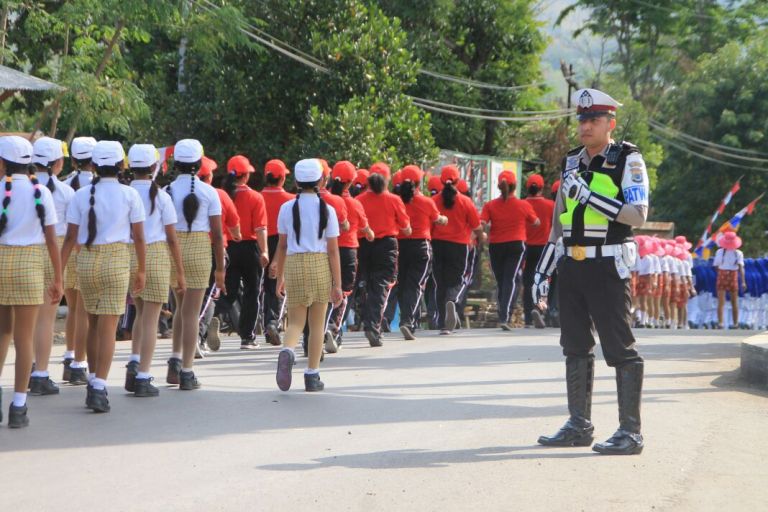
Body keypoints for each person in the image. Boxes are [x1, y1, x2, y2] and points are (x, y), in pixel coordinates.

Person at [534, 88, 649, 455]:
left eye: (593, 120)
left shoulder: (627, 160)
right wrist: (544, 269)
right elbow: (558, 224)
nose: (585, 126)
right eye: (582, 119)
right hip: (572, 265)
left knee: (620, 348)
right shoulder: (571, 162)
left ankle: (630, 432)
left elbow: (638, 214)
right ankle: (578, 425)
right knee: (574, 346)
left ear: (609, 123)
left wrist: (589, 197)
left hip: (607, 264)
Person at [61, 140, 146, 413]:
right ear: (122, 165)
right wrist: (141, 269)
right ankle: (98, 385)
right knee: (108, 327)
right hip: (116, 262)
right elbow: (139, 237)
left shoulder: (80, 194)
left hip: (85, 260)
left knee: (93, 323)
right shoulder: (130, 195)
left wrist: (57, 272)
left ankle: (93, 379)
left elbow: (71, 237)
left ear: (94, 166)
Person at [0, 135, 62, 427]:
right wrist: (58, 278)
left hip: (1, 263)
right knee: (24, 339)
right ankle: (18, 406)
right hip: (30, 266)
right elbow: (52, 240)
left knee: (2, 334)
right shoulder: (42, 192)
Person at [273, 158, 343, 392]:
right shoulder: (328, 210)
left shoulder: (286, 208)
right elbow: (333, 250)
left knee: (295, 322)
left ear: (295, 181)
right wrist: (338, 285)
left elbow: (282, 246)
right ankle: (312, 376)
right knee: (316, 325)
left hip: (294, 263)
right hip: (320, 264)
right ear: (322, 181)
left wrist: (280, 274)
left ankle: (287, 350)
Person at [124, 144, 185, 397]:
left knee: (140, 314)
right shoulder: (161, 196)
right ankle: (143, 376)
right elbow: (171, 238)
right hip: (156, 255)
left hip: (129, 256)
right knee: (150, 319)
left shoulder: (124, 193)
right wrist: (179, 271)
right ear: (153, 168)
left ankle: (135, 360)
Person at [165, 139, 225, 389]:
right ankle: (187, 372)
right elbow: (218, 235)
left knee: (180, 308)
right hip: (200, 249)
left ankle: (175, 360)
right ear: (199, 163)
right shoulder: (209, 192)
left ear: (175, 164)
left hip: (173, 249)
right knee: (191, 313)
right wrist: (221, 268)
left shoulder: (167, 191)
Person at [29, 137, 73, 396]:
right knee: (45, 318)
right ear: (58, 163)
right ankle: (40, 373)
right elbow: (69, 235)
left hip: (27, 251)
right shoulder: (66, 192)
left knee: (23, 319)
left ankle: (28, 366)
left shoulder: (14, 188)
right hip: (54, 250)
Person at [356, 162, 411, 346]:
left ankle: (365, 317)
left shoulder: (360, 200)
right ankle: (373, 326)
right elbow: (406, 228)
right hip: (387, 246)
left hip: (364, 244)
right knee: (382, 286)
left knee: (366, 281)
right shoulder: (394, 200)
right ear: (387, 180)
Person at [220, 155, 269, 349]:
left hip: (228, 247)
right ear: (246, 176)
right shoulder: (256, 197)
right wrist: (264, 251)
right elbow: (260, 228)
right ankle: (247, 337)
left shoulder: (222, 195)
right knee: (252, 292)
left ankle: (212, 321)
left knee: (227, 290)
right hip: (250, 248)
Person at [481, 170, 539, 331]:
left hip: (496, 246)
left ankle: (503, 312)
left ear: (499, 186)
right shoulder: (523, 205)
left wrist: (480, 234)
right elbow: (536, 222)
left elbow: (482, 222)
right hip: (516, 245)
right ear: (515, 186)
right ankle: (504, 315)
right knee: (510, 279)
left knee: (502, 281)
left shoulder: (490, 205)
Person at [325, 160, 374, 352]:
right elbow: (367, 231)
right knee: (344, 293)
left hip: (326, 250)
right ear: (351, 182)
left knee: (325, 291)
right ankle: (333, 327)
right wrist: (371, 234)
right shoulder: (355, 203)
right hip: (347, 252)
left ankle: (320, 329)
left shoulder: (326, 200)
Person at [60, 136, 97, 385]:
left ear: (72, 160)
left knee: (73, 308)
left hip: (66, 247)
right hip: (87, 250)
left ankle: (69, 354)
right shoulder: (97, 185)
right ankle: (78, 364)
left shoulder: (63, 184)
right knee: (84, 310)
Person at [395, 165, 446, 340]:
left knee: (402, 285)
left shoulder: (396, 200)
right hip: (421, 247)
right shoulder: (426, 202)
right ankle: (408, 321)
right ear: (419, 183)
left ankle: (409, 319)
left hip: (400, 246)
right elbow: (438, 219)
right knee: (416, 285)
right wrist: (444, 219)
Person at [431, 165, 482, 335]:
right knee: (457, 281)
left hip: (438, 244)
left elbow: (429, 224)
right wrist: (481, 239)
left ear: (440, 181)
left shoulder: (434, 201)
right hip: (459, 246)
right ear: (458, 181)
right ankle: (453, 300)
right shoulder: (465, 202)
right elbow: (477, 226)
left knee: (440, 283)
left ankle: (443, 323)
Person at [196, 156, 240, 353]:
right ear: (209, 176)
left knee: (187, 296)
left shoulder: (173, 191)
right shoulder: (219, 194)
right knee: (209, 296)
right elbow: (234, 227)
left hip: (184, 249)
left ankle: (191, 337)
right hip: (214, 248)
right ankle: (198, 336)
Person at [261, 159, 294, 346]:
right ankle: (273, 321)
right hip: (282, 243)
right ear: (282, 178)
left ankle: (266, 323)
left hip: (260, 243)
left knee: (262, 288)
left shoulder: (258, 197)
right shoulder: (290, 200)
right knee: (278, 286)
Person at [523, 174, 554, 328]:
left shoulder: (522, 204)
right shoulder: (551, 205)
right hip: (544, 248)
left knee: (528, 282)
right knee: (543, 280)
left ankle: (528, 317)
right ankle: (540, 310)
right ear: (542, 188)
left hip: (526, 247)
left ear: (527, 188)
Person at [713, 231, 746, 329]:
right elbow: (741, 268)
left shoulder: (719, 252)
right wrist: (743, 281)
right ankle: (735, 324)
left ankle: (720, 323)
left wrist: (721, 272)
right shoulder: (738, 253)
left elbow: (716, 266)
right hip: (733, 275)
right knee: (734, 301)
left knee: (721, 301)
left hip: (722, 274)